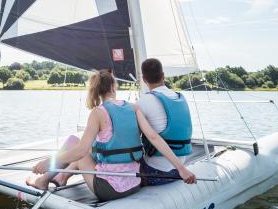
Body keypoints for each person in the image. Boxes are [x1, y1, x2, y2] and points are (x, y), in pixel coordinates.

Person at [29, 68, 196, 201]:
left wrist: (49, 161)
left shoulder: (97, 113)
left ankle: (43, 181)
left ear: (96, 91)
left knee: (76, 144)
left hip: (110, 189)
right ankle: (61, 178)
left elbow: (80, 152)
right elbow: (153, 137)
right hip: (135, 183)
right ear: (114, 87)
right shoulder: (133, 107)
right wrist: (181, 168)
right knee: (82, 144)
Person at [137, 57, 194, 186]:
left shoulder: (143, 102)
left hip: (158, 172)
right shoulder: (179, 97)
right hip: (180, 166)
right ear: (163, 75)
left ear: (144, 79)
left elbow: (134, 136)